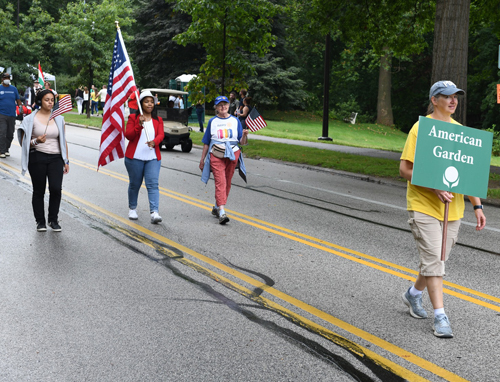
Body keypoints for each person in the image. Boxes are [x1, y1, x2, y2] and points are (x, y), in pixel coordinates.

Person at [399, 80, 486, 338]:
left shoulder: (461, 133)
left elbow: (467, 174)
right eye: (446, 96)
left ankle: (413, 294)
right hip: (423, 205)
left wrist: (477, 206)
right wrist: (434, 185)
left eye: (455, 96)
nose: (452, 100)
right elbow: (404, 169)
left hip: (453, 209)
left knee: (437, 259)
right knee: (435, 262)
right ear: (434, 100)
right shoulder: (420, 129)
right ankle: (440, 317)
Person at [17, 89, 69, 232]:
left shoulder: (59, 118)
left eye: (52, 100)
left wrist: (66, 160)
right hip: (37, 157)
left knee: (56, 189)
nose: (50, 102)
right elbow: (24, 142)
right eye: (47, 99)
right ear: (40, 101)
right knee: (39, 190)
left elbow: (63, 140)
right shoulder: (30, 119)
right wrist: (36, 141)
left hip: (56, 158)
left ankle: (53, 219)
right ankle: (40, 221)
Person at [199, 95, 249, 225]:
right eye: (220, 105)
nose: (223, 107)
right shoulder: (212, 122)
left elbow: (241, 142)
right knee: (220, 181)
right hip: (216, 154)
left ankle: (217, 206)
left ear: (228, 105)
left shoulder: (235, 120)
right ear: (216, 107)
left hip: (233, 154)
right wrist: (202, 159)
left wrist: (244, 135)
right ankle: (222, 212)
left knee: (227, 181)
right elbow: (206, 142)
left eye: (225, 104)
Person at [124, 90, 165, 224]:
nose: (149, 104)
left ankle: (154, 212)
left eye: (151, 102)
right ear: (141, 104)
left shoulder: (158, 120)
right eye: (146, 101)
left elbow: (161, 135)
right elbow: (129, 135)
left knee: (153, 184)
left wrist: (155, 142)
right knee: (135, 184)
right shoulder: (133, 118)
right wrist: (138, 125)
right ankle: (132, 208)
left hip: (152, 158)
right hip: (134, 158)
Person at [0, 73, 22, 158]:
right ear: (2, 79)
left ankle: (6, 149)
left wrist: (20, 107)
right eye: (5, 78)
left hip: (12, 114)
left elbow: (18, 100)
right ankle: (1, 151)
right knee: (2, 132)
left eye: (8, 78)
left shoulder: (13, 89)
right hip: (1, 114)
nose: (7, 79)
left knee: (10, 133)